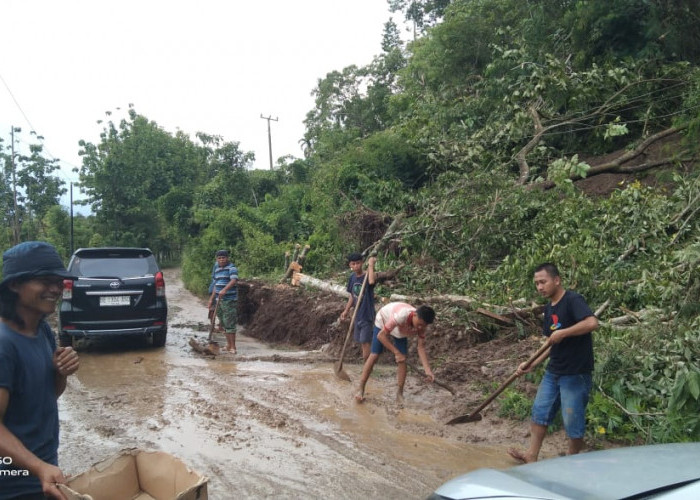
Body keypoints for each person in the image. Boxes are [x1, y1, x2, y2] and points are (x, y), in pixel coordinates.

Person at [0, 241, 80, 500]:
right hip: (13, 483)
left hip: (42, 471)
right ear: (14, 284)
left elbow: (47, 396)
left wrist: (60, 372)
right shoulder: (4, 345)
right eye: (45, 281)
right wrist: (38, 467)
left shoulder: (42, 329)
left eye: (58, 282)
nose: (55, 289)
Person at [508, 263, 598, 463]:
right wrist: (533, 363)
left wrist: (564, 332)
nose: (540, 287)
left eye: (543, 282)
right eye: (536, 283)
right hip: (553, 371)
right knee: (540, 412)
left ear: (557, 280)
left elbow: (592, 323)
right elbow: (550, 345)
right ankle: (531, 455)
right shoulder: (549, 309)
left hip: (575, 373)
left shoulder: (573, 300)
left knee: (572, 420)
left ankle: (571, 460)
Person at [355, 302, 436, 404]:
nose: (420, 328)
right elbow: (381, 336)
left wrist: (427, 370)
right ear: (415, 315)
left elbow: (421, 347)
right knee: (375, 355)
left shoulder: (422, 326)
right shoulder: (402, 315)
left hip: (401, 331)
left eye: (423, 326)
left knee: (403, 360)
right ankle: (361, 388)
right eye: (419, 324)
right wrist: (396, 352)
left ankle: (399, 393)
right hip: (383, 322)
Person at [339, 253, 376, 361]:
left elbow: (372, 281)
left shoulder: (367, 276)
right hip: (357, 314)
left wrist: (371, 265)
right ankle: (367, 365)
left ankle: (367, 367)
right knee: (361, 341)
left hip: (367, 314)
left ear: (362, 263)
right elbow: (352, 295)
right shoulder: (352, 277)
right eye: (353, 264)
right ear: (350, 265)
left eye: (358, 263)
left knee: (365, 342)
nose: (356, 266)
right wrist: (346, 310)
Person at [207, 249, 238, 354]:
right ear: (217, 259)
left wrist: (224, 290)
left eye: (223, 258)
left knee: (230, 323)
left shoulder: (232, 268)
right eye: (219, 258)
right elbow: (216, 285)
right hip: (218, 300)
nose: (221, 260)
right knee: (223, 323)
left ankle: (233, 347)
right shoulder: (217, 270)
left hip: (229, 300)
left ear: (227, 258)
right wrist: (211, 299)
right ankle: (228, 345)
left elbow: (233, 280)